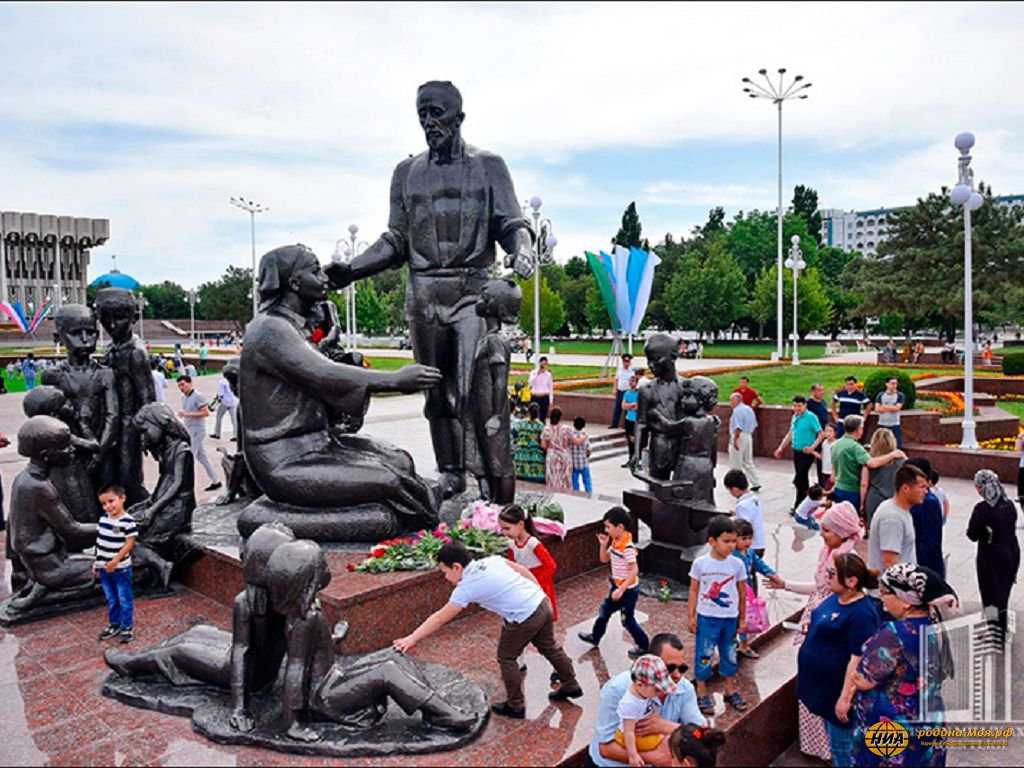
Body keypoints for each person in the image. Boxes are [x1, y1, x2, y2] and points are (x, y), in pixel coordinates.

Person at [333, 81, 535, 500]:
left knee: (471, 390)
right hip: (424, 293)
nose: (429, 122)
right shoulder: (406, 173)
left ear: (459, 118)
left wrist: (525, 248)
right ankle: (451, 472)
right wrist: (350, 271)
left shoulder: (489, 166)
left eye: (437, 113)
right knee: (436, 391)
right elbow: (395, 241)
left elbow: (511, 223)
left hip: (473, 291)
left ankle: (486, 475)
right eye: (422, 113)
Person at [394, 541, 581, 720]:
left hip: (524, 616)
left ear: (457, 567)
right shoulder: (491, 560)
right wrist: (539, 593)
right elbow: (523, 571)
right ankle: (570, 684)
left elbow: (440, 618)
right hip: (541, 603)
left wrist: (411, 639)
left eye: (445, 571)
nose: (445, 577)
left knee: (507, 657)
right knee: (549, 646)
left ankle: (515, 704)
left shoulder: (466, 588)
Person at [770, 501, 864, 763]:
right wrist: (786, 585)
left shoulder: (845, 562)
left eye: (826, 530)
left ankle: (828, 748)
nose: (821, 534)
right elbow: (818, 587)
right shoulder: (830, 554)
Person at [850, 564, 958, 768]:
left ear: (906, 601)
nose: (881, 596)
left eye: (886, 592)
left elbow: (863, 680)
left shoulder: (894, 633)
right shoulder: (935, 625)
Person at [797, 552, 880, 768]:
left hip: (837, 693)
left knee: (843, 751)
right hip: (821, 689)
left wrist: (845, 698)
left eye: (832, 573)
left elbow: (858, 658)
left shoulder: (861, 614)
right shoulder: (835, 598)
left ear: (851, 582)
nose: (827, 576)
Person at [590, 634, 706, 768]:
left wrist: (669, 727)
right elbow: (605, 749)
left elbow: (702, 733)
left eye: (682, 668)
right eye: (670, 668)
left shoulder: (685, 689)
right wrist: (655, 758)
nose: (677, 675)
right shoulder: (617, 690)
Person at [467, 278, 521, 505]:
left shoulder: (496, 341)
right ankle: (493, 505)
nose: (478, 300)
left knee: (501, 462)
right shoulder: (486, 339)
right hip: (483, 409)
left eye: (484, 297)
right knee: (489, 459)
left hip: (492, 412)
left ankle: (506, 508)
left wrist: (497, 416)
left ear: (495, 307)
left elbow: (500, 381)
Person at [689, 515, 748, 715]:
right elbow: (694, 590)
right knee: (704, 653)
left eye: (734, 541)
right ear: (712, 541)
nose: (731, 546)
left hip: (729, 618)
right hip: (707, 617)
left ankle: (730, 689)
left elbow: (741, 592)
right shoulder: (700, 563)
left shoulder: (737, 565)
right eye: (726, 541)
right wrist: (691, 616)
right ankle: (702, 690)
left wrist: (742, 618)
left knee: (729, 653)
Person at [579, 507, 650, 659]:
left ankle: (644, 645)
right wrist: (603, 545)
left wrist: (622, 589)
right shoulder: (616, 541)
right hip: (617, 587)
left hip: (627, 591)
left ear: (620, 527)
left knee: (627, 620)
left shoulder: (627, 547)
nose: (606, 530)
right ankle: (595, 636)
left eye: (608, 527)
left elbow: (634, 570)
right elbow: (604, 559)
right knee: (604, 611)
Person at [967, 469, 1021, 642]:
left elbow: (972, 534)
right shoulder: (1009, 504)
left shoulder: (983, 510)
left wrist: (984, 533)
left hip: (991, 557)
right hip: (1011, 552)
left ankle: (994, 630)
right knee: (1003, 592)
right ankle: (1001, 627)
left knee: (990, 593)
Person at [829, 415, 905, 514]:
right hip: (852, 491)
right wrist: (893, 454)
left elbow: (834, 469)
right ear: (858, 429)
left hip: (839, 487)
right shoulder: (855, 448)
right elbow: (872, 464)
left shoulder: (835, 444)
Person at [615, 655, 678, 767]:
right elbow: (628, 732)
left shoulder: (643, 693)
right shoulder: (629, 704)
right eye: (657, 690)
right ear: (640, 684)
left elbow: (650, 707)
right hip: (634, 736)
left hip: (643, 730)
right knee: (668, 746)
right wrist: (633, 755)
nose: (660, 693)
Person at [94, 484, 138, 644]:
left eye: (111, 501)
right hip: (105, 568)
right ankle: (114, 624)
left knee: (124, 597)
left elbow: (129, 544)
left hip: (121, 569)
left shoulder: (128, 521)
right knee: (111, 598)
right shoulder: (103, 519)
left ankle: (127, 626)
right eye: (104, 504)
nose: (108, 506)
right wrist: (97, 562)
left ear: (122, 498)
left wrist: (115, 560)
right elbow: (100, 542)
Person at [732, 518, 781, 658]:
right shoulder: (731, 556)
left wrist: (771, 573)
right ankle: (732, 643)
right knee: (734, 619)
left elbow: (759, 564)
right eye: (743, 538)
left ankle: (744, 644)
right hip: (735, 593)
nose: (747, 541)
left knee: (746, 618)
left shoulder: (750, 553)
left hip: (748, 591)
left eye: (749, 538)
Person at [867, 463, 927, 574]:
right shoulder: (892, 518)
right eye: (922, 487)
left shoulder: (899, 510)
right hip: (892, 589)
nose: (926, 492)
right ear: (905, 488)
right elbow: (890, 562)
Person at [774, 395, 824, 510]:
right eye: (795, 406)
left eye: (799, 406)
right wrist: (781, 447)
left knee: (800, 476)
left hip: (806, 453)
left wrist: (812, 447)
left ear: (805, 405)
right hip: (796, 451)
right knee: (801, 479)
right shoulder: (795, 417)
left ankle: (799, 504)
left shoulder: (811, 417)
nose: (797, 408)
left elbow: (821, 434)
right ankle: (806, 502)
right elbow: (790, 433)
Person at [176, 375, 221, 492]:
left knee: (189, 458)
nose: (181, 388)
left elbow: (205, 412)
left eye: (183, 384)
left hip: (197, 430)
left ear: (190, 383)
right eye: (179, 385)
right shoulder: (183, 398)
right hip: (189, 429)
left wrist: (187, 414)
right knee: (202, 457)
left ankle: (183, 486)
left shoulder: (198, 396)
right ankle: (216, 480)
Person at [904, 456, 945, 577]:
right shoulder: (915, 499)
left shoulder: (928, 502)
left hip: (925, 570)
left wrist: (920, 571)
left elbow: (929, 542)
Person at [861, 427, 905, 530]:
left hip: (874, 498)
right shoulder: (901, 461)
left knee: (874, 532)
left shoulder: (869, 461)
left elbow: (864, 484)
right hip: (895, 499)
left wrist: (862, 504)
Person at [723, 468, 765, 562]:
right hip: (760, 543)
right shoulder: (755, 499)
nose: (731, 493)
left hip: (749, 547)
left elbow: (743, 528)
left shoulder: (741, 506)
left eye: (730, 490)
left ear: (735, 489)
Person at [727, 392, 761, 491]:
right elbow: (754, 425)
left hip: (739, 436)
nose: (730, 403)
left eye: (731, 400)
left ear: (736, 400)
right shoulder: (749, 409)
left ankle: (737, 484)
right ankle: (755, 482)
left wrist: (735, 440)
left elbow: (738, 427)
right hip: (748, 436)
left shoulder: (737, 411)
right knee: (748, 461)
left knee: (736, 462)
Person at [541, 406, 573, 491]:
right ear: (561, 417)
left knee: (551, 479)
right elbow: (573, 441)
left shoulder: (546, 429)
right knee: (565, 479)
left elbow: (543, 445)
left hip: (552, 457)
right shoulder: (567, 429)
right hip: (565, 456)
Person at [512, 402, 546, 483]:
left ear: (528, 411)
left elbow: (513, 434)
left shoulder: (520, 423)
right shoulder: (541, 426)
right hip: (536, 460)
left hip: (520, 459)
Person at [807, 383, 831, 484]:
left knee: (822, 457)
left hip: (823, 434)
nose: (822, 392)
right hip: (814, 435)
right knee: (810, 458)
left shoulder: (823, 402)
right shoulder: (809, 404)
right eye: (819, 390)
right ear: (813, 391)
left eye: (823, 390)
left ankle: (822, 481)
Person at [873, 376, 906, 448]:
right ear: (887, 384)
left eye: (895, 384)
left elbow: (897, 408)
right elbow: (877, 408)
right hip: (882, 423)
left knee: (896, 446)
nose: (894, 385)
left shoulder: (900, 395)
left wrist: (884, 406)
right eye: (892, 383)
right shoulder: (881, 395)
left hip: (894, 424)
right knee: (880, 445)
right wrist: (891, 407)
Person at [209, 369, 239, 441]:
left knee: (219, 417)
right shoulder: (235, 380)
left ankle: (217, 433)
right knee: (234, 420)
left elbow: (220, 394)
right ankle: (236, 435)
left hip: (224, 402)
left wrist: (214, 403)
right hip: (233, 402)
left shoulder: (222, 382)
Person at [610, 354, 634, 429]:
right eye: (624, 361)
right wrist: (615, 388)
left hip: (628, 391)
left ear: (630, 362)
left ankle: (626, 425)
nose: (626, 363)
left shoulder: (632, 370)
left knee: (627, 409)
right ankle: (614, 424)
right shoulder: (619, 369)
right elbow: (616, 379)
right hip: (620, 390)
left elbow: (633, 381)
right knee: (617, 407)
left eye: (627, 361)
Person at [622, 374, 640, 469]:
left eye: (633, 381)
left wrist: (630, 405)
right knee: (629, 440)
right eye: (630, 381)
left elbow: (638, 407)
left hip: (636, 420)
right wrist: (632, 405)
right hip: (628, 419)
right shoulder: (627, 393)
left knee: (636, 440)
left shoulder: (639, 393)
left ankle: (637, 460)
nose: (631, 383)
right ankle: (630, 459)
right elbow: (623, 406)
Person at [571, 416, 593, 494]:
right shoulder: (585, 436)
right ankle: (589, 493)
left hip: (573, 463)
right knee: (587, 481)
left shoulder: (571, 436)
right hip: (584, 462)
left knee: (574, 481)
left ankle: (576, 493)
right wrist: (587, 456)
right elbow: (589, 450)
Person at [528, 356, 554, 422]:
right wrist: (538, 374)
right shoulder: (533, 373)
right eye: (542, 364)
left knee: (543, 417)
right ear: (539, 364)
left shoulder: (548, 375)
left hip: (544, 397)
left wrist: (551, 400)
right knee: (533, 416)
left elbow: (550, 388)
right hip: (535, 396)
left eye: (545, 364)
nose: (543, 366)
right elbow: (530, 383)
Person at [817, 422, 837, 490]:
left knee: (829, 489)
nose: (828, 433)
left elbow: (836, 459)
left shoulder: (836, 444)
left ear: (835, 433)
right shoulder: (824, 443)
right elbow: (822, 456)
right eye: (826, 431)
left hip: (832, 472)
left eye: (830, 431)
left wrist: (834, 473)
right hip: (824, 470)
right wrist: (811, 451)